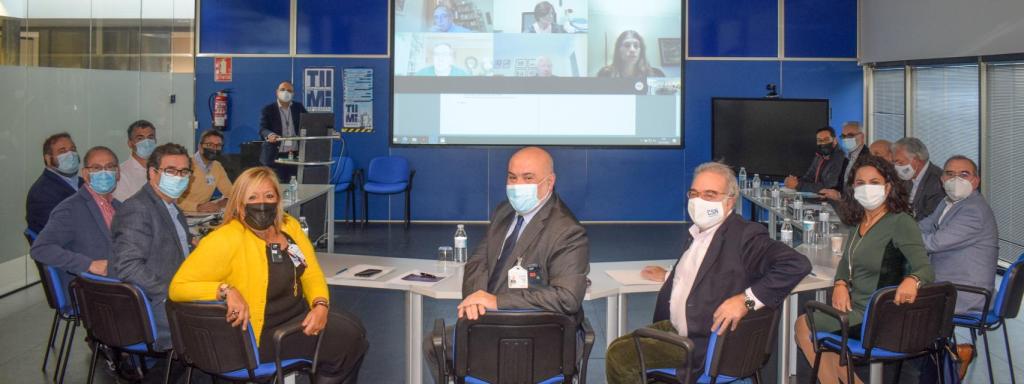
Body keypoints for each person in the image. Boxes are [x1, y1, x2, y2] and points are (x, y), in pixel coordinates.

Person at [604, 162, 811, 383]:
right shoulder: (701, 231)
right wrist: (669, 277)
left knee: (619, 357)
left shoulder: (745, 235)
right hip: (680, 328)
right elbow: (711, 274)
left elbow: (796, 264)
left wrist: (746, 301)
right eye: (694, 194)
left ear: (730, 200)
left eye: (709, 195)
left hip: (700, 342)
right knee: (620, 345)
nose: (698, 201)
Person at [170, 167, 368, 383]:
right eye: (252, 197)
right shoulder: (226, 239)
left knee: (354, 329)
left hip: (295, 316)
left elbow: (311, 273)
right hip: (262, 334)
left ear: (278, 199)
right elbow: (178, 287)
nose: (262, 203)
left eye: (269, 196)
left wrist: (320, 305)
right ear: (238, 203)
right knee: (349, 341)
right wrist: (225, 290)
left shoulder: (289, 226)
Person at [424, 146, 590, 381]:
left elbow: (567, 298)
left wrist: (496, 301)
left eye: (528, 177)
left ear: (549, 182)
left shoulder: (567, 231)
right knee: (433, 344)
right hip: (488, 324)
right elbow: (477, 263)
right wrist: (476, 302)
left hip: (541, 336)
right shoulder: (504, 211)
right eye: (512, 177)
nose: (517, 185)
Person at [794, 155, 934, 384]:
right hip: (856, 311)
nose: (867, 188)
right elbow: (844, 264)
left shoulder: (900, 222)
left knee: (803, 325)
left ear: (888, 187)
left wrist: (913, 279)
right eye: (860, 183)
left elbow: (925, 269)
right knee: (823, 340)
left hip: (877, 317)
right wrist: (840, 284)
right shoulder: (861, 223)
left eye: (874, 182)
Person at [110, 143, 194, 350]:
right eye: (171, 171)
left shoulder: (171, 206)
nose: (178, 177)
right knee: (227, 326)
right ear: (153, 173)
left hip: (176, 289)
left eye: (184, 171)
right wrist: (170, 294)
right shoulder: (137, 208)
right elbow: (128, 266)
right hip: (155, 305)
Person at [31, 146, 120, 293]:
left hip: (123, 276)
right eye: (96, 168)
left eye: (109, 167)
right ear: (85, 174)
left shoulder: (118, 206)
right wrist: (88, 264)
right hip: (99, 289)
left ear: (117, 173)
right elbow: (40, 249)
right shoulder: (71, 209)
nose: (104, 173)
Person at [919, 155, 998, 314]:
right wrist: (899, 230)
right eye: (950, 174)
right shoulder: (948, 202)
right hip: (946, 284)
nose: (956, 180)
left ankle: (931, 339)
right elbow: (923, 226)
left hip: (965, 294)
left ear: (975, 181)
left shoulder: (973, 211)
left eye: (963, 174)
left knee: (895, 302)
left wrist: (900, 238)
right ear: (942, 180)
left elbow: (934, 243)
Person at [26, 133, 83, 236]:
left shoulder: (82, 182)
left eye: (73, 149)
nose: (70, 154)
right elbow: (61, 234)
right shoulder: (42, 193)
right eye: (62, 151)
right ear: (48, 159)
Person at [259, 80, 308, 181]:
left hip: (295, 157)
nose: (286, 93)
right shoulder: (268, 109)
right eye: (283, 90)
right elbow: (263, 129)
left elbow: (310, 123)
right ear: (277, 92)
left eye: (289, 91)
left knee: (294, 187)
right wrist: (270, 135)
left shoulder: (299, 107)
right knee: (276, 187)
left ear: (293, 94)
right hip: (274, 157)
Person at [178, 130, 232, 212]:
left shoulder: (217, 166)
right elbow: (172, 197)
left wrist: (219, 204)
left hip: (202, 215)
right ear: (200, 147)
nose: (214, 149)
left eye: (218, 145)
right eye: (209, 145)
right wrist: (197, 207)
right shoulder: (186, 164)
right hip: (181, 213)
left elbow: (231, 192)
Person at [892, 137, 944, 220]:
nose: (896, 167)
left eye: (900, 163)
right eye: (894, 163)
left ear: (916, 160)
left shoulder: (938, 181)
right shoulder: (905, 179)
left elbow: (930, 218)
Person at [785, 127, 847, 194]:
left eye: (826, 139)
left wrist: (798, 185)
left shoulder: (839, 158)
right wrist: (794, 181)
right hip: (818, 198)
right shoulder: (819, 156)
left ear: (835, 140)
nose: (823, 143)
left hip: (833, 202)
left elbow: (828, 186)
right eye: (820, 140)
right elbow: (808, 178)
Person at [820, 122, 866, 201]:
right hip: (844, 205)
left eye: (850, 135)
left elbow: (863, 191)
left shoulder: (868, 158)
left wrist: (840, 196)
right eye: (843, 136)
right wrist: (830, 191)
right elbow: (841, 183)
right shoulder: (846, 157)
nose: (846, 139)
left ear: (862, 137)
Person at [113, 120, 157, 202]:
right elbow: (125, 207)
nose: (146, 142)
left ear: (155, 141)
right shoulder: (121, 173)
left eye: (150, 137)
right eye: (140, 138)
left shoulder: (161, 170)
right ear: (130, 144)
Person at [597, 30, 665, 78]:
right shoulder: (605, 74)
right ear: (618, 50)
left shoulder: (656, 75)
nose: (632, 50)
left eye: (636, 46)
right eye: (627, 45)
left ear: (641, 51)